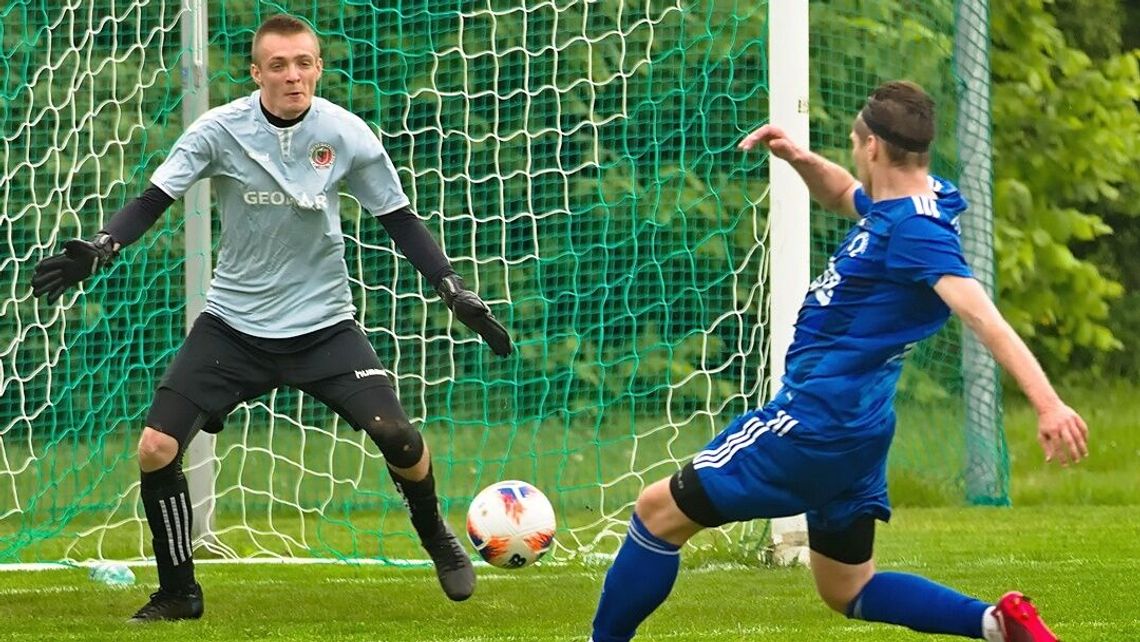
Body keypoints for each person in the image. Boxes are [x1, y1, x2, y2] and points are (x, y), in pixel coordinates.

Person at [31, 14, 512, 622]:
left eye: (304, 63)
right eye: (278, 65)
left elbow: (400, 219)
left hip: (324, 327)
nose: (293, 75)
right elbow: (154, 199)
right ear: (256, 72)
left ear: (318, 68)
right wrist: (103, 246)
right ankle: (179, 593)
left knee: (399, 436)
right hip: (233, 326)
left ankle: (437, 536)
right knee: (155, 448)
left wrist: (452, 289)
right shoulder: (219, 130)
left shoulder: (347, 133)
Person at [587, 81, 1088, 642]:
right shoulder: (919, 199)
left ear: (872, 145)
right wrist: (801, 159)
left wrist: (1048, 405)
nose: (852, 151)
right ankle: (997, 625)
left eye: (853, 141)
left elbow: (982, 316)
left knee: (657, 512)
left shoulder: (915, 232)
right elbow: (846, 193)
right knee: (847, 588)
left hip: (813, 423)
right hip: (858, 428)